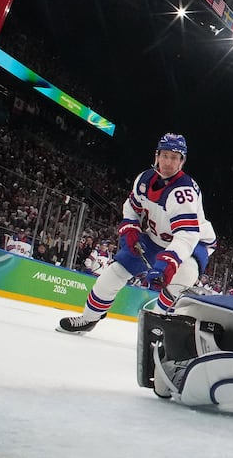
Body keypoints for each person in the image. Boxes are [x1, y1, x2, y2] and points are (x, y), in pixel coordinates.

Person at [58, 133, 208, 333]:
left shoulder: (183, 193)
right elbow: (131, 208)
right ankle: (89, 318)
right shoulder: (144, 179)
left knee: (177, 286)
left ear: (182, 161)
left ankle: (155, 332)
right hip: (155, 238)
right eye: (165, 155)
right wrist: (130, 228)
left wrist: (168, 262)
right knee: (112, 275)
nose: (168, 162)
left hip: (193, 244)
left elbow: (187, 235)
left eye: (174, 157)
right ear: (157, 155)